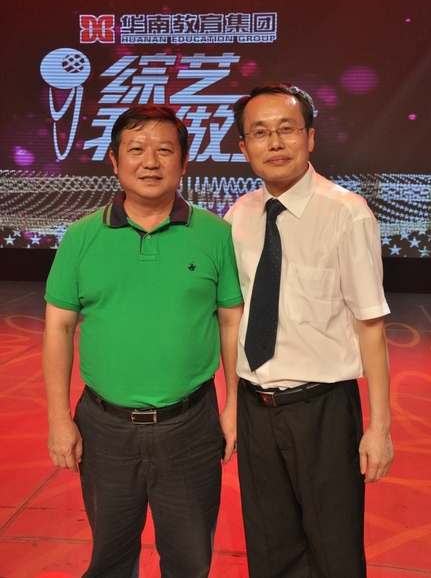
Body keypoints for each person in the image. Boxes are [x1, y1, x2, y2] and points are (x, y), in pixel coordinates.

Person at [42, 104, 243, 578]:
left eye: (164, 150)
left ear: (183, 162)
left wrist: (233, 405)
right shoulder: (81, 237)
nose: (150, 162)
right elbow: (59, 328)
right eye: (136, 149)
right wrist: (58, 418)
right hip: (104, 429)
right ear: (114, 161)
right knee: (110, 560)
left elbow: (231, 323)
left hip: (191, 426)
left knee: (190, 561)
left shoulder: (216, 235)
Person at [225, 82, 394, 578]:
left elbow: (370, 325)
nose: (275, 143)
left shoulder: (346, 213)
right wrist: (231, 404)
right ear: (244, 148)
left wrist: (380, 427)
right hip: (255, 409)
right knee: (269, 550)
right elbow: (234, 319)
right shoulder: (239, 216)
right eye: (260, 133)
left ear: (310, 137)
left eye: (287, 129)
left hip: (323, 410)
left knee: (334, 552)